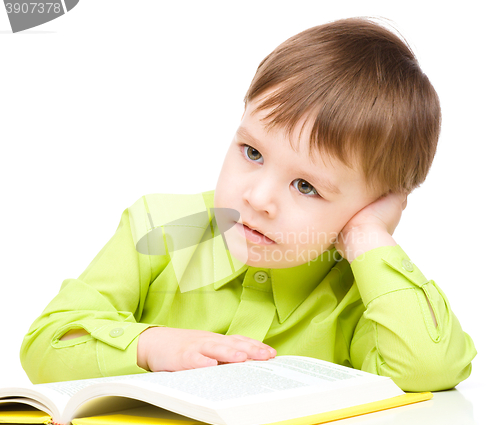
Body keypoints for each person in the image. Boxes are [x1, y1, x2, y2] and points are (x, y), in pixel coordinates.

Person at [20, 17, 476, 392]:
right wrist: (149, 345)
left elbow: (429, 370)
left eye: (306, 186)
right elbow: (46, 342)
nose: (257, 198)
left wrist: (367, 237)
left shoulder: (357, 289)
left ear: (373, 205)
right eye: (252, 153)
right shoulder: (162, 226)